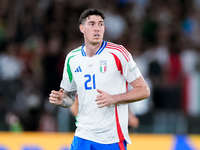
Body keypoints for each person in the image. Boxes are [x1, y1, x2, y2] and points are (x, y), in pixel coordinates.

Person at [49, 8, 150, 150]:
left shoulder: (118, 53)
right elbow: (70, 99)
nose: (97, 28)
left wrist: (114, 98)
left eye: (100, 24)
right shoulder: (72, 58)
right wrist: (62, 100)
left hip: (112, 138)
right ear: (82, 28)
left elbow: (144, 90)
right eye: (92, 24)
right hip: (83, 136)